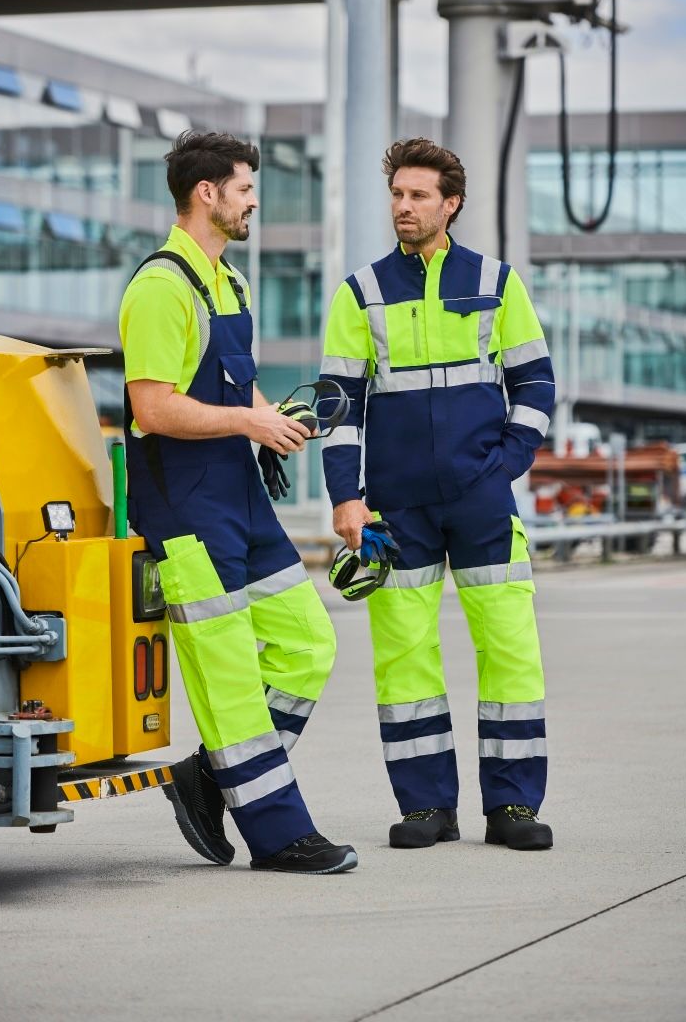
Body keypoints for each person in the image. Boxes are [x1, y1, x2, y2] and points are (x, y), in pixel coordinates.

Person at [119, 130, 357, 874]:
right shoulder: (159, 289)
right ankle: (279, 834)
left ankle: (207, 776)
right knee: (226, 676)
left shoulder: (233, 284)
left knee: (309, 643)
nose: (255, 201)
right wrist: (249, 423)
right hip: (185, 511)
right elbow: (152, 408)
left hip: (241, 496)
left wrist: (273, 422)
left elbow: (234, 387)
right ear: (207, 193)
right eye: (246, 188)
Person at [319, 137, 554, 851]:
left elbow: (536, 385)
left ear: (450, 204)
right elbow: (337, 407)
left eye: (418, 195)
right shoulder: (360, 292)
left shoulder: (496, 282)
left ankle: (513, 807)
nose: (404, 206)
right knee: (404, 655)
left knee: (510, 647)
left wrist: (503, 465)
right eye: (397, 194)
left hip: (481, 500)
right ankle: (426, 807)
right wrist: (346, 498)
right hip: (396, 507)